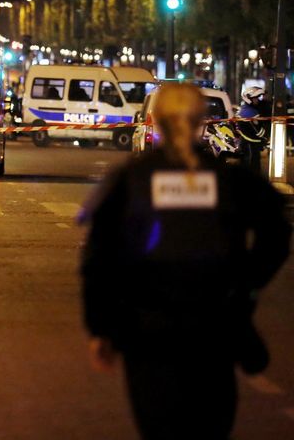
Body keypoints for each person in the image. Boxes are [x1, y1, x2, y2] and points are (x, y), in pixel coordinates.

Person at [80, 83, 290, 440]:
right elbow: (277, 233)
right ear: (202, 124)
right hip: (215, 326)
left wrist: (100, 327)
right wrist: (246, 283)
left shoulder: (131, 178)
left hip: (147, 330)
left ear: (155, 121)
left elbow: (99, 259)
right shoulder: (230, 178)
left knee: (159, 426)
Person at [236, 85, 268, 173]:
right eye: (255, 98)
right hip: (250, 146)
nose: (257, 100)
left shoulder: (247, 110)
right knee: (252, 169)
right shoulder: (250, 113)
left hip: (249, 144)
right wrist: (265, 138)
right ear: (249, 98)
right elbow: (258, 132)